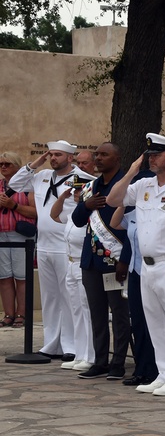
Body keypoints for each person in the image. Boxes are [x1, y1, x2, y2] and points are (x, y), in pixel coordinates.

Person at [107, 133, 165, 397]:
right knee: (155, 322)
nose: (151, 159)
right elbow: (114, 200)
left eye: (156, 155)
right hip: (146, 266)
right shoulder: (144, 185)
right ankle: (164, 372)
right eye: (149, 155)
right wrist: (132, 171)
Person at [8, 140, 87, 358]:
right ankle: (52, 344)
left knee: (69, 296)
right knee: (50, 297)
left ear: (70, 158)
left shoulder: (80, 179)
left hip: (67, 246)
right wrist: (35, 163)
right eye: (51, 155)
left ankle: (71, 345)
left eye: (58, 155)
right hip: (43, 245)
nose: (53, 158)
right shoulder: (42, 176)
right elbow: (14, 185)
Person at [65, 142, 131, 380]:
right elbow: (78, 220)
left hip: (114, 262)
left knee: (120, 314)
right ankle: (100, 361)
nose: (99, 158)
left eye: (104, 154)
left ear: (117, 158)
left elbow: (131, 226)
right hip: (91, 261)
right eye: (97, 155)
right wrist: (86, 205)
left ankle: (118, 363)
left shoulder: (126, 186)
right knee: (97, 314)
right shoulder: (91, 187)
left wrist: (124, 259)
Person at [111, 168, 159, 387]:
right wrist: (124, 202)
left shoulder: (157, 211)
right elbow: (114, 223)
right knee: (138, 322)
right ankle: (141, 369)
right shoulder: (133, 214)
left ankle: (156, 369)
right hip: (136, 271)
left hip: (153, 269)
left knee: (153, 323)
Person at [52, 170, 97, 372]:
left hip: (83, 265)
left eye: (81, 189)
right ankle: (80, 354)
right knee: (76, 311)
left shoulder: (92, 215)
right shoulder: (74, 213)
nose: (77, 193)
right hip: (70, 264)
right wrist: (63, 195)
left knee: (87, 311)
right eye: (75, 190)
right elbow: (54, 215)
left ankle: (91, 355)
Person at [0, 153, 37, 328]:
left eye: (7, 164)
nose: (3, 167)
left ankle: (22, 313)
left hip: (21, 236)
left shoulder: (28, 187)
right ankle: (8, 314)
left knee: (22, 276)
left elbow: (36, 213)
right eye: (1, 164)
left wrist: (13, 205)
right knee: (4, 276)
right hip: (1, 235)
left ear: (17, 166)